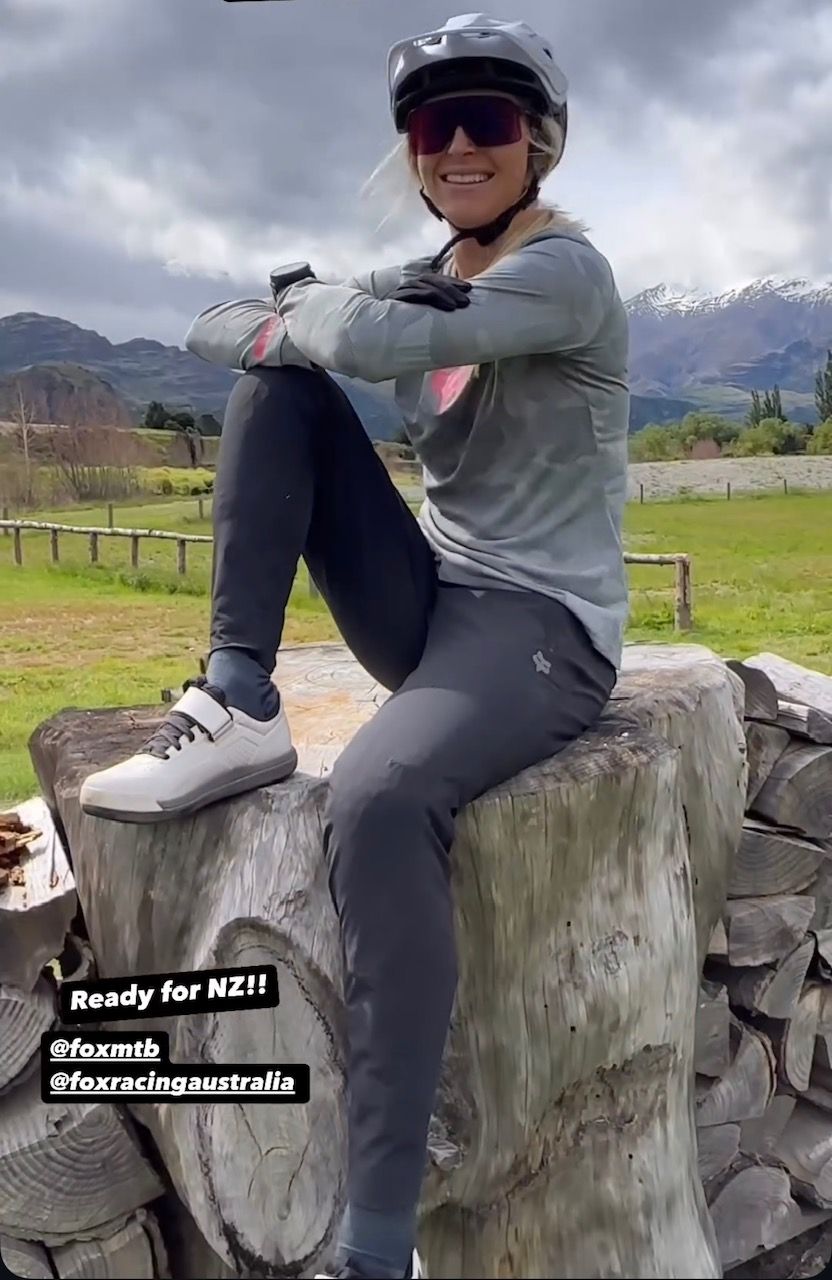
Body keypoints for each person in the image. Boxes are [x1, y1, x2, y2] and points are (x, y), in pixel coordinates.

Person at [80, 13, 629, 1279]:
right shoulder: (429, 270)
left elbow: (371, 339)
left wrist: (312, 306)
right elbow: (217, 329)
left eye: (487, 120)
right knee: (277, 389)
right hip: (433, 597)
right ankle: (239, 695)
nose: (457, 146)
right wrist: (307, 315)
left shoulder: (565, 274)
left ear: (538, 142)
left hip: (541, 626)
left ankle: (378, 1243)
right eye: (434, 124)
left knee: (378, 796)